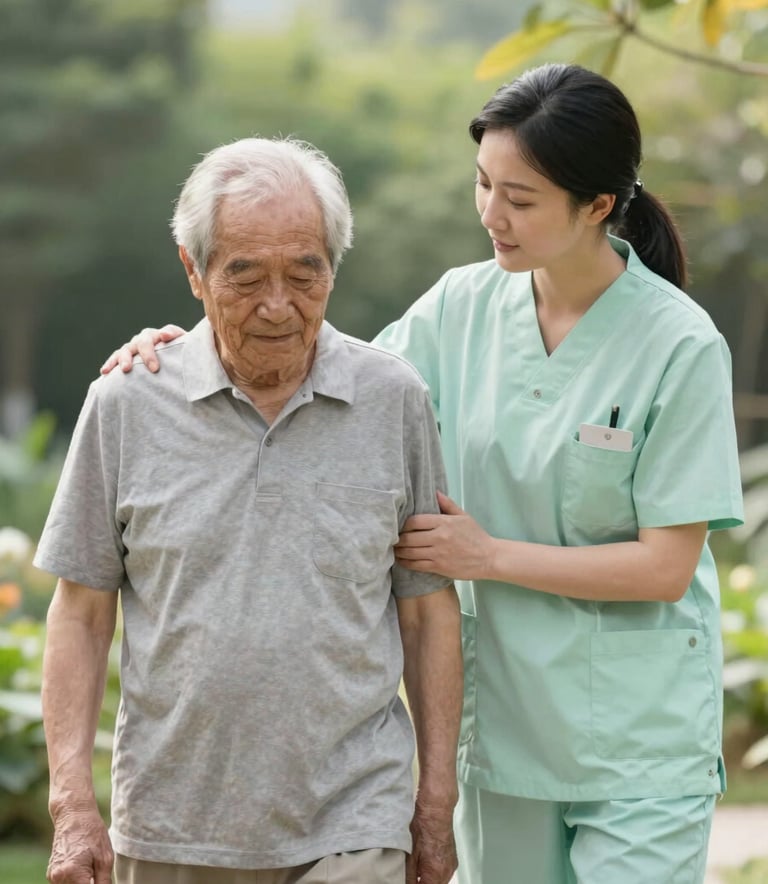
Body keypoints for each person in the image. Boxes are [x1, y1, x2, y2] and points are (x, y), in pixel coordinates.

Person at [101, 63, 744, 883]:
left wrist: (488, 556)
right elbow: (326, 381)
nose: (491, 215)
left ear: (598, 207)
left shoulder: (679, 346)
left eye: (521, 199)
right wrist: (189, 341)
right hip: (505, 733)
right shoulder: (458, 310)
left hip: (640, 742)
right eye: (484, 184)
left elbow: (666, 567)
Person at [36, 137, 463, 884]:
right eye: (245, 276)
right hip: (173, 825)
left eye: (306, 274)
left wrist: (434, 804)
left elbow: (427, 612)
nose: (278, 305)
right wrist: (73, 803)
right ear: (192, 272)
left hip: (355, 817)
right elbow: (80, 611)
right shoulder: (127, 403)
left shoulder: (393, 399)